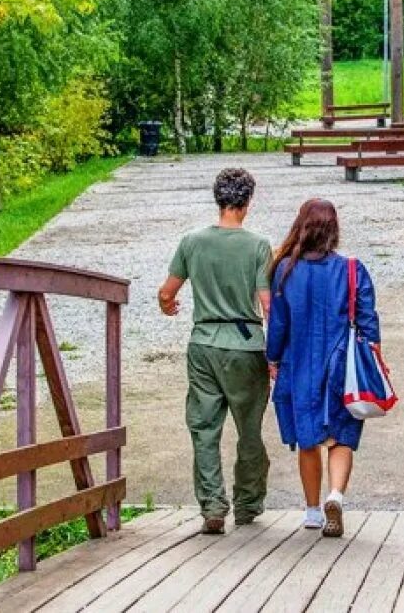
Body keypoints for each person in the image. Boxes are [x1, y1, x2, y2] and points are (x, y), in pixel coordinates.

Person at [158, 168, 273, 535]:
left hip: (204, 343)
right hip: (246, 345)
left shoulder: (191, 242)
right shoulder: (258, 245)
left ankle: (212, 504)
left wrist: (168, 306)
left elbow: (166, 292)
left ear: (218, 199)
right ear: (248, 202)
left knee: (204, 427)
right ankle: (247, 502)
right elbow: (268, 304)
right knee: (249, 428)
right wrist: (276, 353)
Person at [266, 198, 380, 538]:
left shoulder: (285, 271)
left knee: (308, 439)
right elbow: (369, 322)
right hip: (341, 366)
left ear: (301, 227)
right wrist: (371, 360)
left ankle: (313, 511)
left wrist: (273, 358)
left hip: (299, 364)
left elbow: (278, 325)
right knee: (341, 437)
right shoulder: (352, 269)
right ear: (334, 230)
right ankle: (336, 495)